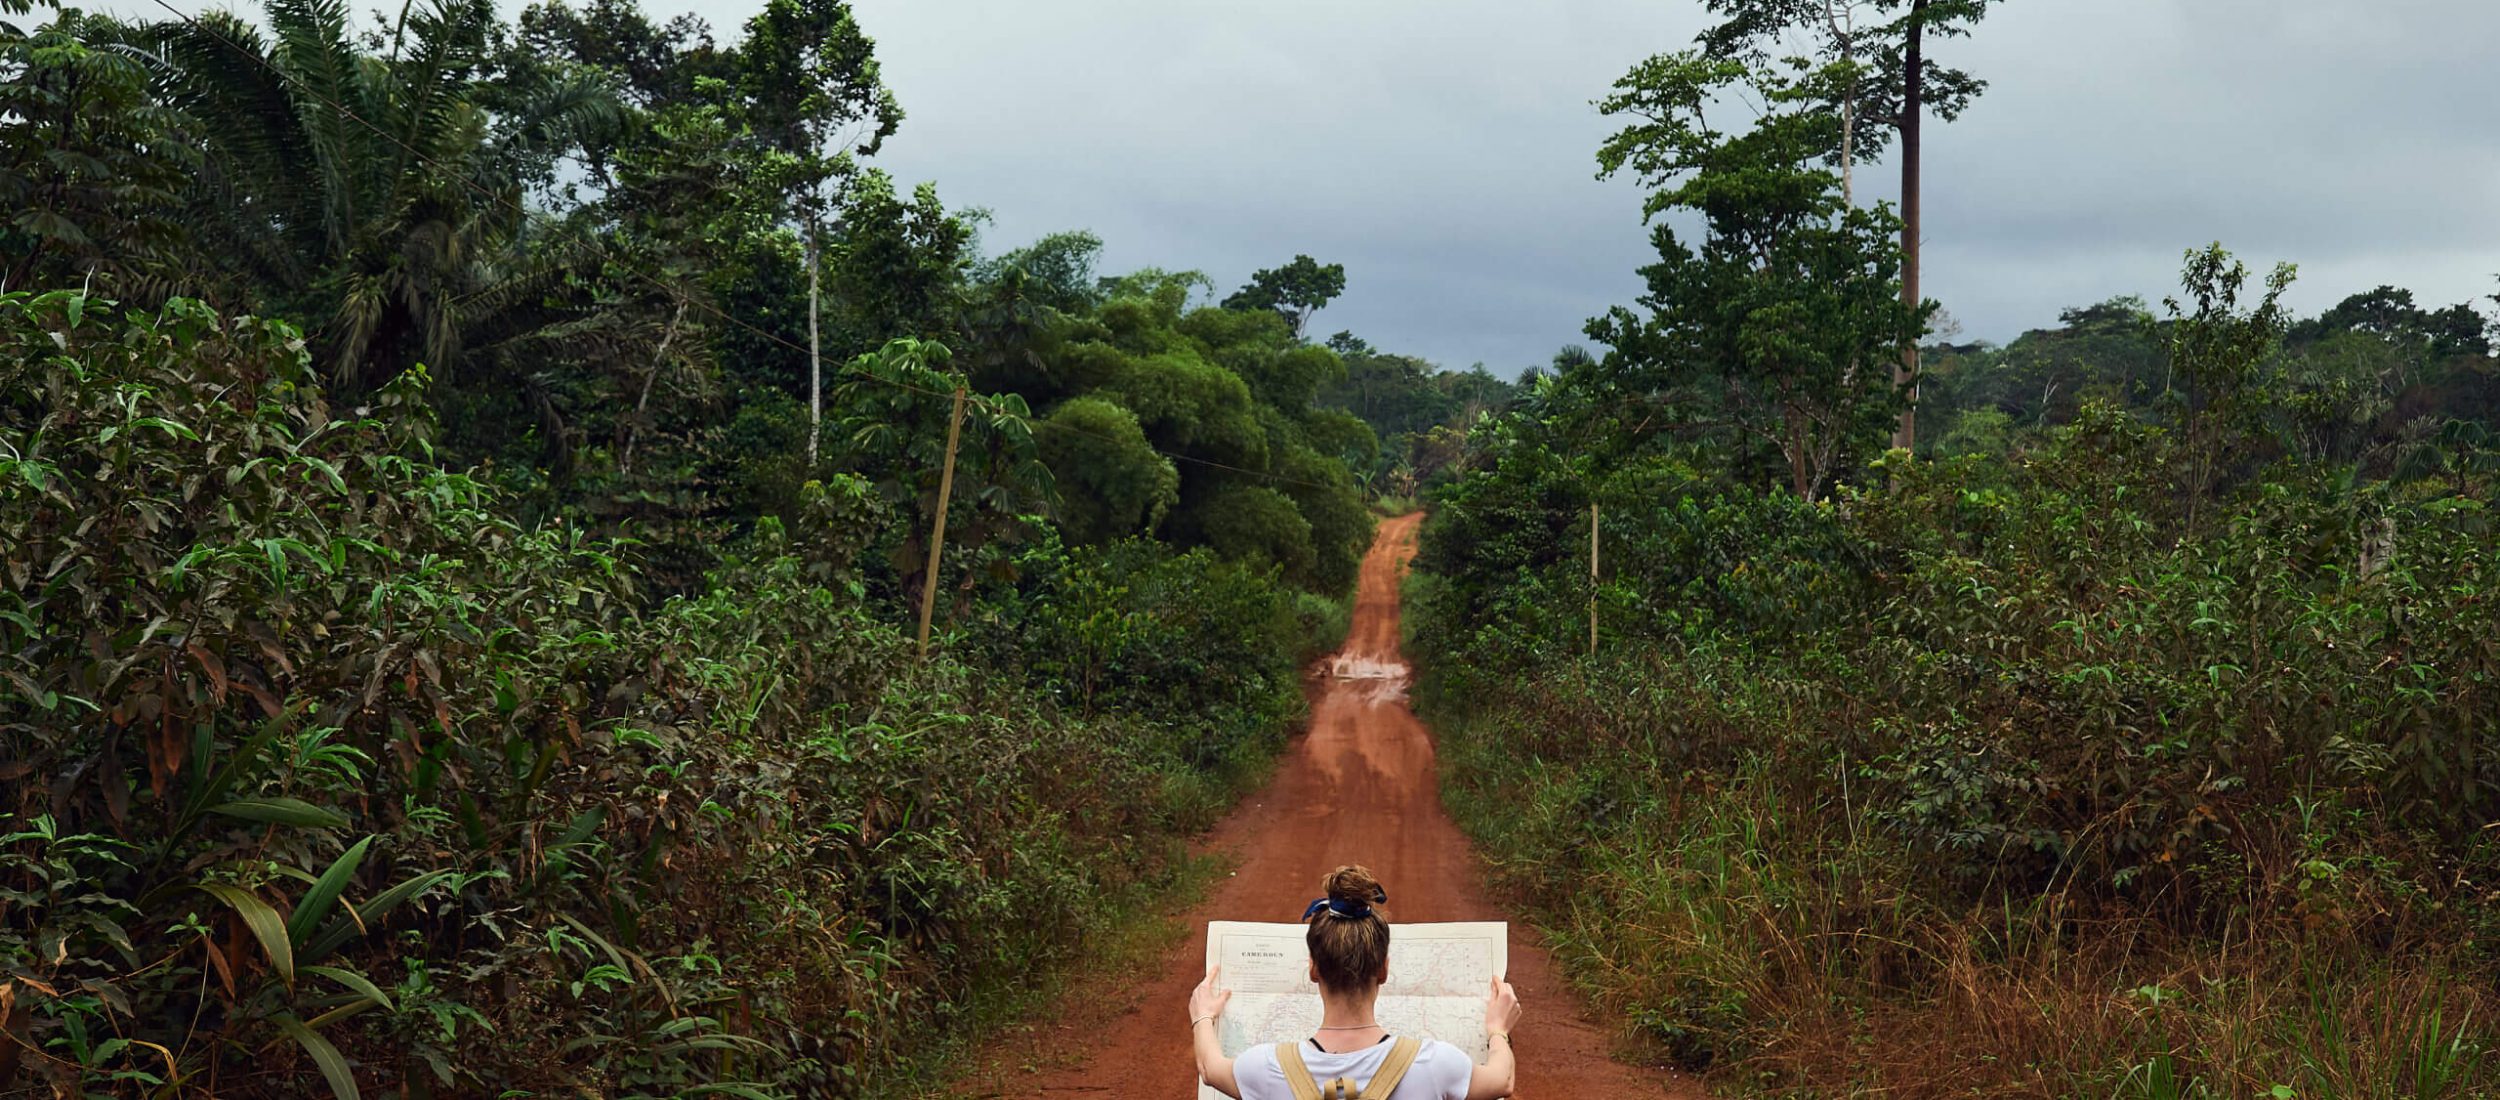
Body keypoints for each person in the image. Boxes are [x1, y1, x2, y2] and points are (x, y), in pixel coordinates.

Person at [1189, 866, 1523, 1100]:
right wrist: (1497, 1030)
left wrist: (1203, 1016)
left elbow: (1210, 1068)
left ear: (1314, 969)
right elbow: (1502, 1080)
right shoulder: (1434, 1065)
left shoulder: (1264, 1068)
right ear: (1383, 971)